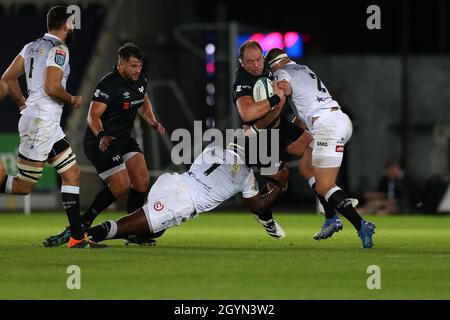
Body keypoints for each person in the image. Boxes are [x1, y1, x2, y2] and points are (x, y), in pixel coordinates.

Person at [0, 5, 104, 249]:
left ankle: (77, 238)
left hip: (44, 123)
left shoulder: (31, 46)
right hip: (41, 124)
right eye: (72, 24)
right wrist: (73, 99)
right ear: (66, 25)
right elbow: (52, 87)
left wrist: (22, 104)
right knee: (23, 186)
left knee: (72, 174)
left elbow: (7, 78)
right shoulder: (59, 50)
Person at [45, 142, 290, 245]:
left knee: (156, 231)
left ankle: (123, 234)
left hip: (171, 182)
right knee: (127, 225)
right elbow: (258, 207)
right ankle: (84, 235)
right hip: (183, 200)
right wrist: (279, 188)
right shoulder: (246, 176)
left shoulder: (215, 149)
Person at [43, 42, 165, 247]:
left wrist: (151, 119)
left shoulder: (140, 79)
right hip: (101, 141)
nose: (138, 70)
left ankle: (132, 231)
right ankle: (84, 223)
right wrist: (101, 135)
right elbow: (93, 116)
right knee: (121, 184)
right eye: (134, 66)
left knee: (142, 181)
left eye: (140, 66)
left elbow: (143, 99)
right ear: (121, 65)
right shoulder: (109, 85)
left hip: (124, 139)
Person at [265, 48, 376, 248]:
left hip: (327, 126)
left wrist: (271, 109)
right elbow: (304, 113)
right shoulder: (304, 69)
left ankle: (362, 225)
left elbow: (284, 91)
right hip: (335, 120)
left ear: (273, 66)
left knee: (325, 185)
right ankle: (331, 219)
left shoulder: (281, 73)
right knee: (306, 168)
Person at [232, 40, 313, 224]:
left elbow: (289, 84)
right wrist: (277, 98)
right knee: (281, 181)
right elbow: (247, 112)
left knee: (314, 146)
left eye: (258, 59)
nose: (255, 65)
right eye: (249, 61)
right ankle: (262, 213)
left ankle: (327, 196)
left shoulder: (271, 68)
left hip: (279, 127)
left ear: (263, 57)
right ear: (241, 62)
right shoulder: (242, 81)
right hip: (259, 137)